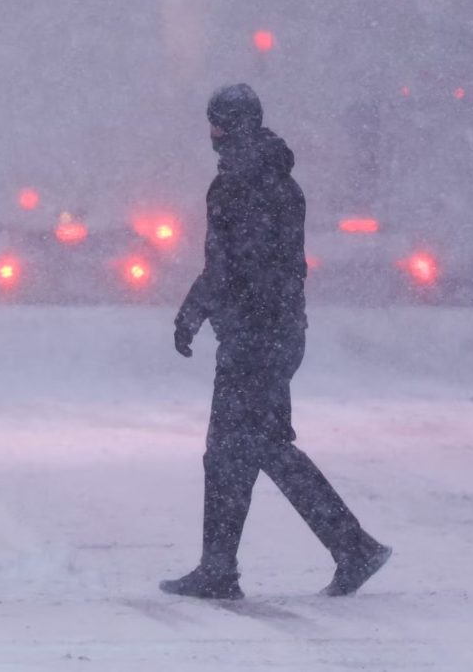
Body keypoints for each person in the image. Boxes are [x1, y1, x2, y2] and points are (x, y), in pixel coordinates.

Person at [163, 84, 391, 601]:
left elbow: (228, 264)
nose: (211, 134)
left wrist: (194, 312)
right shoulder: (281, 180)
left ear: (228, 126)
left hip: (253, 337)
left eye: (216, 123)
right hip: (280, 332)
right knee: (244, 449)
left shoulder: (237, 184)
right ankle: (225, 566)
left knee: (243, 448)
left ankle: (347, 546)